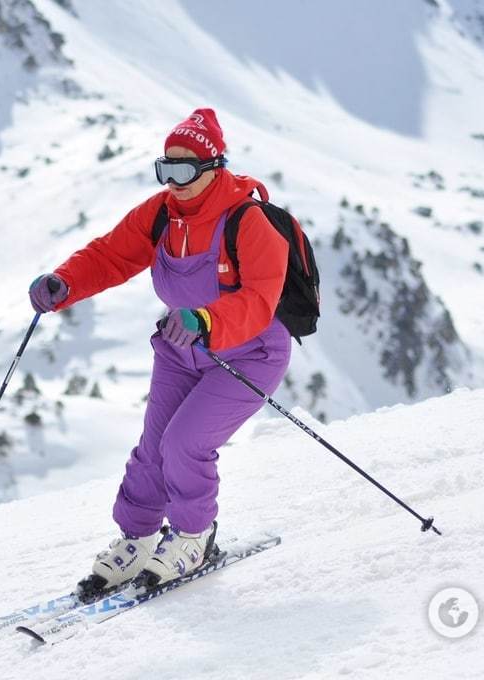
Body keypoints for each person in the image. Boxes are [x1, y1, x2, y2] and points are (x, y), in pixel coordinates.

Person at [29, 108, 290, 594]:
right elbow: (111, 254)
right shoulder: (161, 214)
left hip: (249, 355)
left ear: (214, 167)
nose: (174, 181)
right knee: (152, 449)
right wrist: (64, 282)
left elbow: (260, 299)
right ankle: (138, 540)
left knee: (184, 444)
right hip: (180, 350)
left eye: (185, 170)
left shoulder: (249, 221)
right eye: (165, 169)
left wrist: (206, 319)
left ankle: (194, 535)